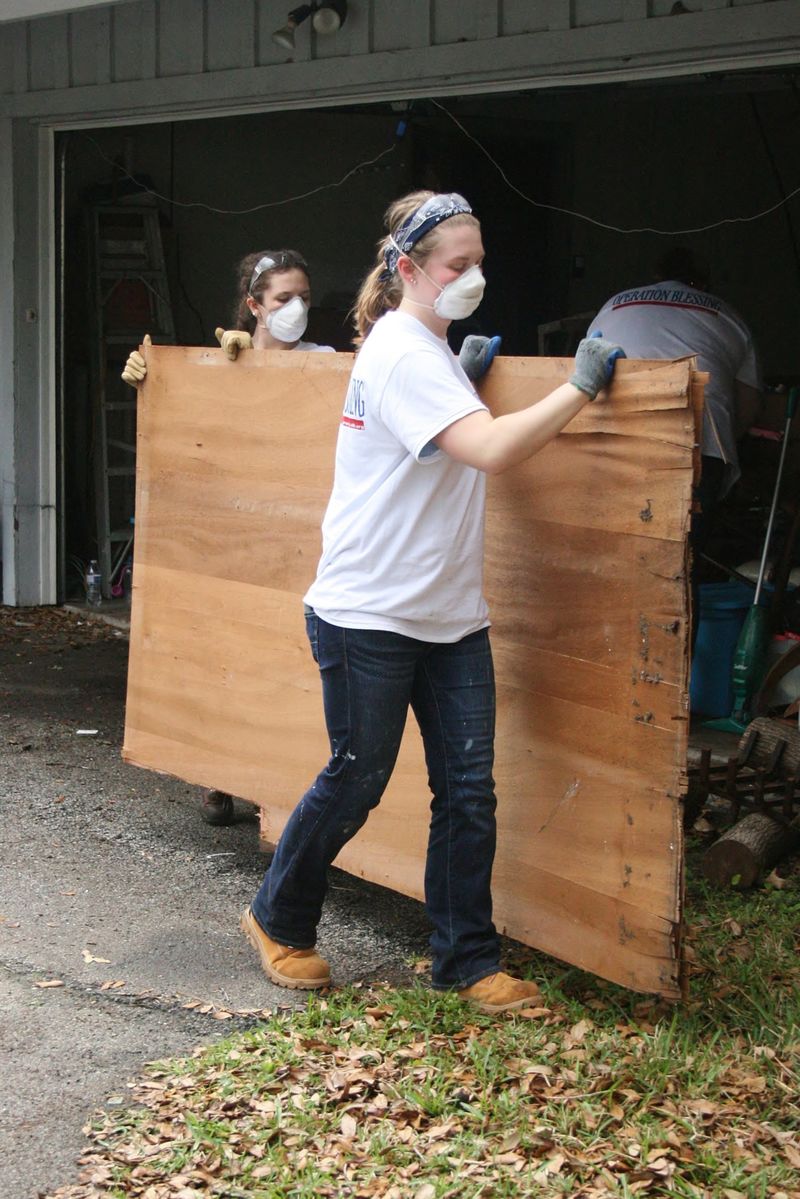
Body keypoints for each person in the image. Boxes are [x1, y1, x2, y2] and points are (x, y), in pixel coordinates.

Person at [238, 190, 623, 1013]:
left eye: (480, 261)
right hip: (368, 612)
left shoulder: (427, 350)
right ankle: (278, 917)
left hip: (448, 615)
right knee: (358, 776)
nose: (473, 276)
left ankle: (467, 959)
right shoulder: (405, 352)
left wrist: (465, 378)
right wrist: (579, 389)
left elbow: (434, 437)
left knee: (467, 790)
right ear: (409, 269)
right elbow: (485, 449)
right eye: (458, 265)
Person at [121, 248, 335, 825]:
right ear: (254, 306)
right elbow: (194, 432)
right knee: (225, 646)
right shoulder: (223, 361)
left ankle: (279, 782)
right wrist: (153, 379)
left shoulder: (325, 361)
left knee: (287, 661)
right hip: (235, 529)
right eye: (284, 298)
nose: (297, 309)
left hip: (299, 529)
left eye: (304, 298)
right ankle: (221, 774)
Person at [586, 248, 762, 638]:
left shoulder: (614, 305)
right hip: (696, 449)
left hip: (617, 443)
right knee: (680, 573)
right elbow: (748, 407)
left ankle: (608, 667)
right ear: (703, 280)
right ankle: (671, 687)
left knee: (614, 564)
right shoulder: (727, 315)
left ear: (656, 275)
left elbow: (584, 374)